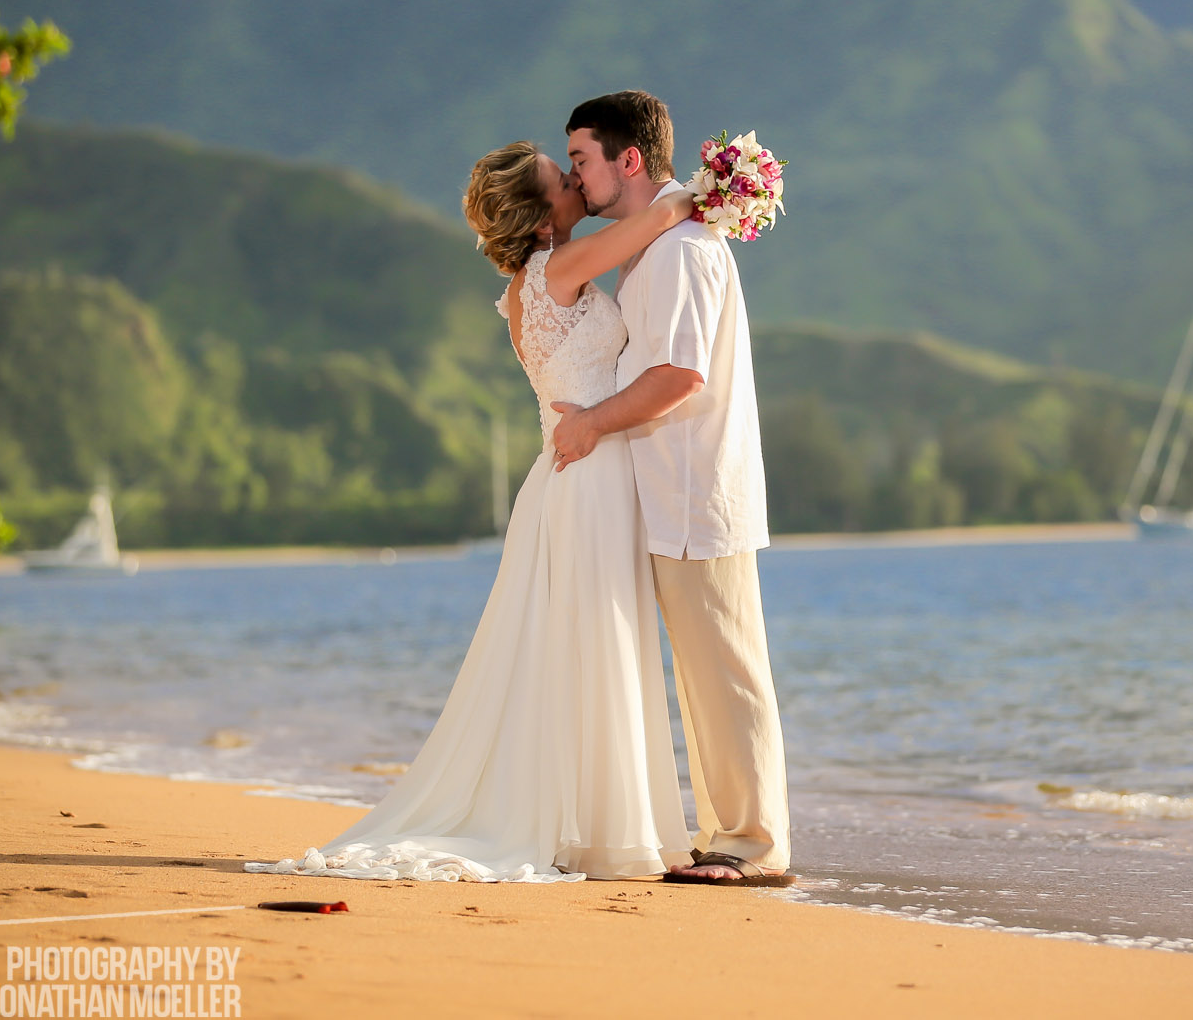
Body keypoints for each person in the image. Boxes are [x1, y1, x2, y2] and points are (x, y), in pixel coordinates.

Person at [244, 142, 696, 882]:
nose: (578, 179)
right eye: (564, 176)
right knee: (593, 643)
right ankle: (603, 831)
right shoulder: (555, 270)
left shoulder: (534, 281)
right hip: (584, 480)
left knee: (581, 649)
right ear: (541, 210)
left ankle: (598, 825)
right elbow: (659, 218)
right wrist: (714, 188)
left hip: (576, 475)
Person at [552, 90, 794, 887]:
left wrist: (591, 421)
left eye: (583, 159)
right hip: (671, 489)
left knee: (725, 669)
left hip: (696, 489)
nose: (578, 177)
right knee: (703, 670)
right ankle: (728, 833)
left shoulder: (683, 249)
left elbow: (679, 375)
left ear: (629, 160)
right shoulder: (659, 244)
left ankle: (754, 844)